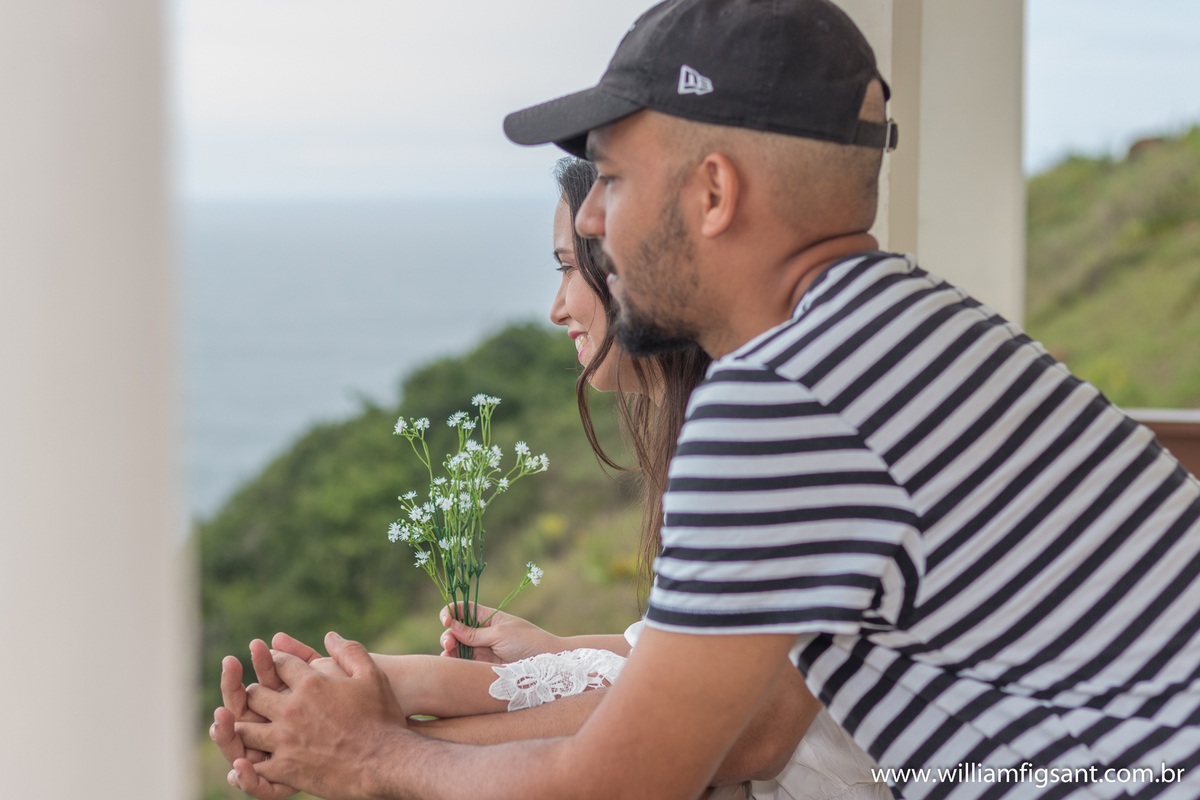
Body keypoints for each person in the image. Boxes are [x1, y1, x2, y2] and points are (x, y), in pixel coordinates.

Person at [210, 1, 1200, 798]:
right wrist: (376, 711)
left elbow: (623, 782)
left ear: (713, 193)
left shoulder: (782, 397)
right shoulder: (916, 325)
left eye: (611, 179)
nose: (594, 218)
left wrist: (370, 759)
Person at [210, 156, 830, 799]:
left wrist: (373, 747)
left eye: (569, 266)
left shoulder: (762, 432)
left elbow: (740, 727)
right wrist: (387, 688)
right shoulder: (742, 416)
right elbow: (691, 669)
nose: (557, 307)